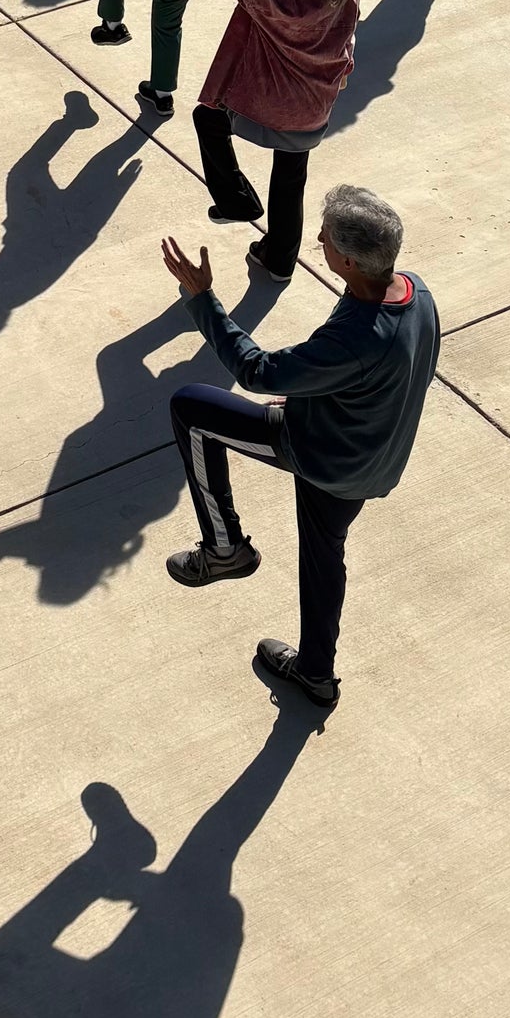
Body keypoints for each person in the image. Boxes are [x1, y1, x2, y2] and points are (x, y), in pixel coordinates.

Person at [160, 185, 439, 709]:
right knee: (322, 556)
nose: (317, 240)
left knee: (192, 408)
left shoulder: (358, 337)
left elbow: (257, 371)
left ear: (351, 261)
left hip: (324, 457)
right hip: (374, 458)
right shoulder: (414, 291)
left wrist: (202, 300)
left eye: (327, 240)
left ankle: (224, 551)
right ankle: (315, 673)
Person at [192, 0, 360, 282]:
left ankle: (235, 201)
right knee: (290, 180)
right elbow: (347, 44)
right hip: (314, 109)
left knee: (207, 117)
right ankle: (279, 262)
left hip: (267, 104)